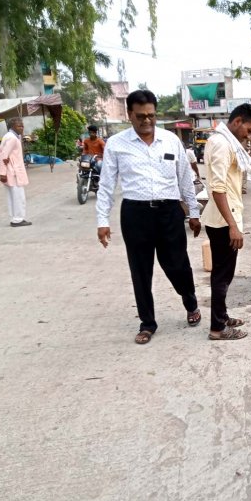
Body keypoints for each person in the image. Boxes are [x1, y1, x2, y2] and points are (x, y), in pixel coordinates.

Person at [95, 89, 203, 345]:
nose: (147, 121)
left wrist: (194, 211)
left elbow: (185, 178)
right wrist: (102, 220)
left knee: (178, 266)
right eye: (141, 116)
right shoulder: (117, 144)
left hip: (169, 212)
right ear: (129, 115)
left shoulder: (170, 141)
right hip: (136, 214)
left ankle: (191, 303)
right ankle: (147, 323)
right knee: (141, 271)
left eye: (151, 115)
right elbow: (107, 184)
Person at [202, 103, 251, 341]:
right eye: (248, 130)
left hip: (227, 218)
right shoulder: (220, 144)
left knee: (224, 274)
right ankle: (218, 328)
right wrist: (233, 226)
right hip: (222, 222)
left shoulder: (230, 144)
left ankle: (222, 316)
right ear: (237, 122)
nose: (250, 135)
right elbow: (218, 189)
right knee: (221, 275)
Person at [0, 117, 31, 227]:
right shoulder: (12, 139)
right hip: (13, 172)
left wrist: (5, 166)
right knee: (18, 196)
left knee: (12, 196)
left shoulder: (8, 136)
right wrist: (3, 173)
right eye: (19, 126)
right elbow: (3, 156)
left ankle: (14, 218)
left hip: (10, 171)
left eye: (22, 126)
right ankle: (18, 219)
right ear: (12, 127)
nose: (21, 128)